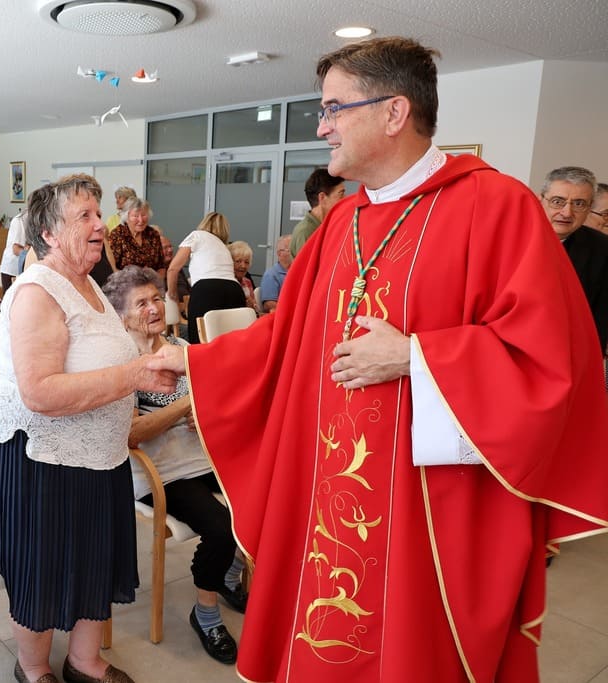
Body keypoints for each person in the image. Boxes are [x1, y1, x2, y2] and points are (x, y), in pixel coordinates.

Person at [150, 36, 608, 683]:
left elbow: (548, 359)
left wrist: (418, 354)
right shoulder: (343, 223)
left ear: (394, 112)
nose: (321, 125)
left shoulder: (498, 208)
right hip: (331, 497)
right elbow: (287, 339)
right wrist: (192, 358)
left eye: (335, 107)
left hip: (432, 505)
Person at [0, 174, 173, 683]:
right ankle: (34, 668)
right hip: (36, 455)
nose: (98, 226)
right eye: (83, 216)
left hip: (100, 452)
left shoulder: (90, 284)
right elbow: (40, 394)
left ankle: (83, 661)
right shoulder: (37, 291)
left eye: (97, 213)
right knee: (41, 566)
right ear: (48, 233)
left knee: (92, 558)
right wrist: (136, 374)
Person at [103, 265, 247, 665]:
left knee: (267, 498)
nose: (154, 308)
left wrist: (207, 410)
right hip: (159, 472)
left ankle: (230, 576)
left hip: (203, 456)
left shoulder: (181, 348)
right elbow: (132, 434)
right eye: (141, 303)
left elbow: (217, 401)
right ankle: (206, 613)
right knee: (220, 528)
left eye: (156, 299)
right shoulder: (122, 363)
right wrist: (190, 403)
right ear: (121, 315)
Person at [539, 167, 608, 357]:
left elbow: (600, 316)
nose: (566, 212)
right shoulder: (509, 237)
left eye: (579, 203)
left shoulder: (602, 248)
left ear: (589, 208)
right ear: (540, 200)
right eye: (557, 201)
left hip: (570, 354)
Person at [166, 211, 244, 344]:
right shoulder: (224, 247)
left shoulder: (196, 235)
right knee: (231, 342)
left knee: (200, 340)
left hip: (207, 291)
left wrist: (172, 294)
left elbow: (173, 269)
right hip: (235, 291)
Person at [289, 169, 346, 258]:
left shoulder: (326, 226)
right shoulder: (305, 232)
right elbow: (308, 270)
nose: (345, 199)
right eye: (341, 194)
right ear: (322, 197)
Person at [108, 197, 165, 280]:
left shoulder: (153, 234)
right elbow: (111, 267)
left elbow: (161, 266)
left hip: (150, 285)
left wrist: (156, 284)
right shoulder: (117, 235)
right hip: (124, 286)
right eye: (135, 216)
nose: (140, 220)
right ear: (126, 217)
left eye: (144, 215)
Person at [259, 234, 292, 313]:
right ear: (279, 253)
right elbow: (269, 304)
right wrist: (291, 311)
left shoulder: (297, 272)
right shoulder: (271, 275)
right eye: (290, 249)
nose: (295, 252)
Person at [228, 240, 259, 312]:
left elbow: (255, 309)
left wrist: (253, 306)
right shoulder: (226, 284)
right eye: (238, 261)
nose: (243, 266)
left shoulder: (247, 282)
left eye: (247, 262)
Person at [1, 210, 28, 290]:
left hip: (24, 269)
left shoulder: (37, 220)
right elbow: (16, 249)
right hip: (12, 271)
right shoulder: (19, 220)